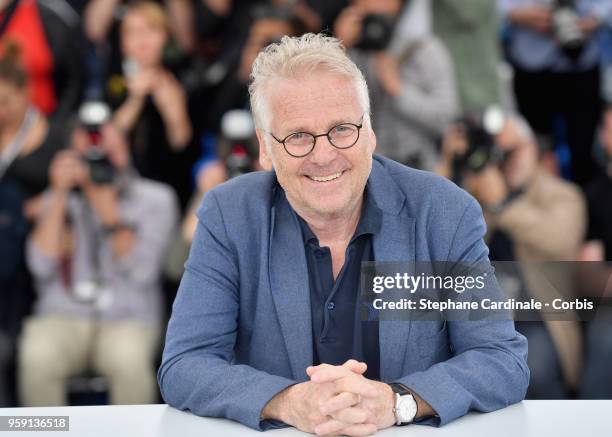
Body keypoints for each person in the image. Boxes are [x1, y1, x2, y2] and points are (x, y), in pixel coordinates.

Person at [159, 34, 529, 435]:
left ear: (370, 133)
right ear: (265, 149)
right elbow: (185, 364)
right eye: (297, 136)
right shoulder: (229, 215)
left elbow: (500, 360)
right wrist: (289, 402)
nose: (323, 155)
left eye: (341, 129)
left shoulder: (443, 211)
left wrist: (397, 401)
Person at [18, 115, 178, 406]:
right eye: (87, 156)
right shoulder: (57, 198)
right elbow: (40, 265)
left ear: (125, 150)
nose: (96, 162)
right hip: (62, 316)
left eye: (107, 152)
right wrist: (59, 194)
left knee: (128, 362)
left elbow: (143, 271)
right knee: (36, 355)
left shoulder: (156, 199)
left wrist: (105, 206)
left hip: (128, 319)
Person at [438, 113, 586, 398]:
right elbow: (438, 236)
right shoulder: (475, 195)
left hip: (539, 317)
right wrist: (450, 166)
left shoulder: (562, 194)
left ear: (534, 148)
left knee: (533, 371)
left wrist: (500, 204)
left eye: (515, 150)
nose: (509, 159)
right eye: (500, 152)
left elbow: (559, 238)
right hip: (482, 315)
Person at [334, 0, 459, 170]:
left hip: (419, 167)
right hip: (369, 167)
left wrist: (399, 90)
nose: (368, 5)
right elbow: (328, 109)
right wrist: (339, 47)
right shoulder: (349, 52)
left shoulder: (425, 49)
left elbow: (446, 120)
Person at [498, 0, 612, 185]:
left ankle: (581, 204)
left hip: (582, 61)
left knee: (584, 153)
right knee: (535, 149)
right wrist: (516, 14)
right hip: (530, 61)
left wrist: (596, 17)